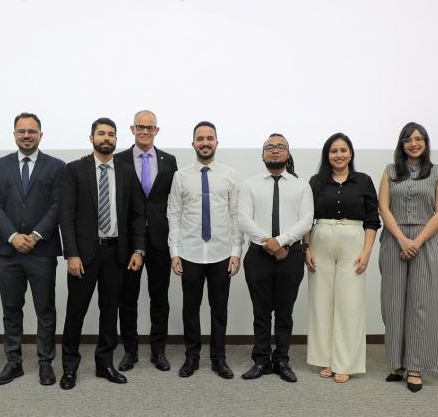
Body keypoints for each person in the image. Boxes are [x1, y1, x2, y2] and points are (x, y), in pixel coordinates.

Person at [59, 117, 146, 390]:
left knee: (110, 312)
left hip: (116, 254)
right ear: (92, 138)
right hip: (83, 255)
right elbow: (67, 215)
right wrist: (71, 254)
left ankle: (104, 363)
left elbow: (136, 214)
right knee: (76, 312)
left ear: (116, 139)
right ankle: (70, 368)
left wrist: (138, 249)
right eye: (101, 134)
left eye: (111, 134)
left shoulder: (126, 170)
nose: (106, 138)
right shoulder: (74, 170)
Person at [0, 112, 65, 386]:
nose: (27, 135)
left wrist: (34, 235)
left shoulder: (57, 166)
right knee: (11, 309)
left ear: (40, 135)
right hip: (8, 252)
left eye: (32, 131)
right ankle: (14, 363)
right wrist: (12, 236)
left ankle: (45, 363)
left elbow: (57, 205)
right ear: (14, 135)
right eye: (21, 131)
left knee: (45, 309)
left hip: (42, 251)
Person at [167, 121, 242, 380]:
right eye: (200, 139)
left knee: (219, 309)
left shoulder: (230, 175)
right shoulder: (181, 176)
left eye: (210, 138)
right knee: (191, 308)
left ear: (217, 143)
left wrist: (236, 252)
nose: (205, 142)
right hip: (189, 253)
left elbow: (235, 216)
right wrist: (174, 252)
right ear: (193, 144)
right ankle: (192, 357)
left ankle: (218, 359)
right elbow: (173, 214)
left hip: (221, 253)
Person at [304, 132, 380, 384]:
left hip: (353, 242)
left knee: (350, 304)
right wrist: (306, 248)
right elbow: (306, 218)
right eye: (334, 151)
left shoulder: (363, 181)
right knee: (321, 302)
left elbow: (372, 220)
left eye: (343, 150)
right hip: (320, 240)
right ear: (327, 155)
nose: (339, 155)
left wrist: (367, 252)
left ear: (351, 153)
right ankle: (324, 359)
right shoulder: (316, 182)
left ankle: (345, 362)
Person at [378, 123, 438, 393]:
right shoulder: (390, 171)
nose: (413, 143)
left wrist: (416, 241)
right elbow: (384, 207)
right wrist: (402, 239)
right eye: (408, 139)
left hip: (427, 243)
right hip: (394, 242)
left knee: (422, 304)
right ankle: (397, 363)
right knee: (393, 303)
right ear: (401, 144)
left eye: (419, 139)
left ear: (426, 143)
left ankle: (415, 366)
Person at [237, 133, 313, 383]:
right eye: (269, 147)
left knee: (284, 312)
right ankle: (260, 360)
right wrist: (269, 242)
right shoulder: (250, 185)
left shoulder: (301, 185)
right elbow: (243, 219)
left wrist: (281, 241)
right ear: (262, 154)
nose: (275, 151)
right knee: (260, 312)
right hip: (258, 256)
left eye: (280, 147)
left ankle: (281, 360)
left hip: (290, 256)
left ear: (288, 153)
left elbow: (306, 220)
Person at [115, 110, 177, 372]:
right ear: (132, 129)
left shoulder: (169, 161)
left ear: (157, 131)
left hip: (160, 240)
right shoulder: (117, 159)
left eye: (149, 128)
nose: (144, 131)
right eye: (140, 126)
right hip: (128, 241)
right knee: (127, 298)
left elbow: (173, 201)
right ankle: (130, 351)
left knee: (159, 298)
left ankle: (158, 351)